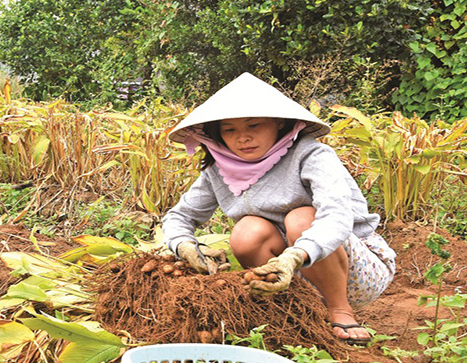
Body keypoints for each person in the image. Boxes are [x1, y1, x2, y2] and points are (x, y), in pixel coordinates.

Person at [162, 73, 396, 345]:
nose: (243, 138)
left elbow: (336, 215)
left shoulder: (311, 155)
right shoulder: (220, 170)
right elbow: (180, 216)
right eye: (230, 130)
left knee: (300, 219)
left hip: (353, 270)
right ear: (218, 135)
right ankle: (292, 309)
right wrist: (184, 246)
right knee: (247, 231)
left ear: (279, 123)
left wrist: (295, 256)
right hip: (284, 273)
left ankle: (339, 309)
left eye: (254, 125)